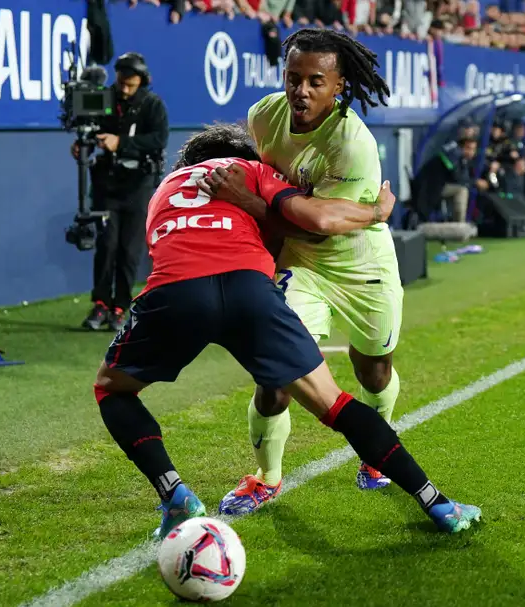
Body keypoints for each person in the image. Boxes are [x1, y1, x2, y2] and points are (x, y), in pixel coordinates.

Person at [94, 124, 481, 538]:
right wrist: (374, 212)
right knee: (335, 403)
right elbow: (304, 226)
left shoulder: (164, 187)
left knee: (112, 388)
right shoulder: (255, 172)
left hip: (177, 292)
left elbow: (162, 245)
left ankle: (175, 495)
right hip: (250, 290)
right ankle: (437, 503)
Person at [205, 28, 407, 516]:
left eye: (316, 80)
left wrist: (251, 203)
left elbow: (322, 227)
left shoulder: (351, 143)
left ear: (339, 85)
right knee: (276, 375)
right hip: (300, 263)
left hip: (359, 262)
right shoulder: (264, 116)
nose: (301, 90)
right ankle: (266, 477)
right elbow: (279, 206)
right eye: (293, 78)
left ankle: (374, 455)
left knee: (373, 370)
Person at [79, 53, 169, 331]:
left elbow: (158, 139)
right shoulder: (105, 99)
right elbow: (90, 130)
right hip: (107, 184)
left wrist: (122, 143)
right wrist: (83, 147)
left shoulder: (153, 105)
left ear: (142, 81)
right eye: (121, 83)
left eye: (130, 85)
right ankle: (100, 305)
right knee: (106, 247)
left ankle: (120, 307)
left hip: (138, 187)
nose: (125, 89)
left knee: (129, 250)